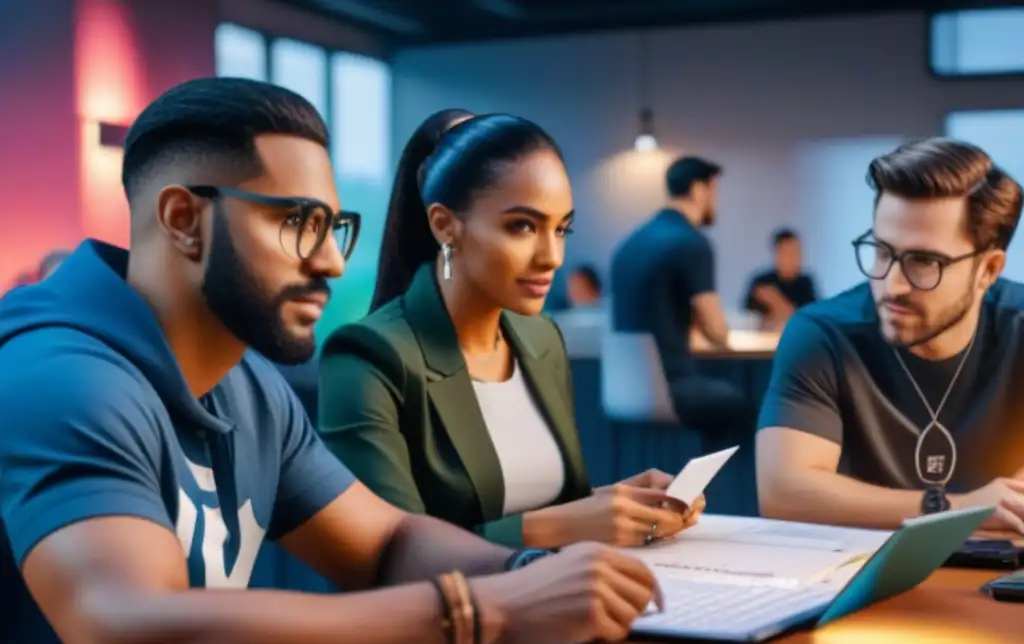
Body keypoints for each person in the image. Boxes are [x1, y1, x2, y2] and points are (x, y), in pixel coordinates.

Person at [0, 79, 664, 644]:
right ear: (182, 219)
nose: (332, 262)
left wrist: (538, 574)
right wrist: (486, 611)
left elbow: (387, 543)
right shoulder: (59, 379)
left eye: (334, 227)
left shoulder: (248, 384)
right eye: (298, 224)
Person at [318, 111, 703, 549]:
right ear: (445, 225)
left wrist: (619, 503)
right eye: (523, 226)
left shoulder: (541, 339)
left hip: (566, 597)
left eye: (562, 228)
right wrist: (567, 524)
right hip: (452, 613)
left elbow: (550, 506)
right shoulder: (368, 357)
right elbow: (390, 554)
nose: (553, 256)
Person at [756, 137, 1024, 536]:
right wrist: (955, 509)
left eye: (924, 261)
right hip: (855, 578)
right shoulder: (823, 334)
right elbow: (783, 492)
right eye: (882, 251)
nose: (891, 285)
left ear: (987, 270)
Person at [609, 155, 752, 433]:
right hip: (671, 386)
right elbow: (717, 332)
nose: (715, 201)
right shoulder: (690, 242)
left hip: (622, 390)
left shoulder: (630, 243)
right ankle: (722, 476)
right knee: (751, 405)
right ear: (699, 189)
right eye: (714, 191)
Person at [743, 228, 817, 330]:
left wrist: (776, 301)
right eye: (788, 252)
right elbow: (749, 319)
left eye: (797, 252)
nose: (794, 257)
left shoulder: (806, 283)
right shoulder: (762, 282)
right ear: (777, 253)